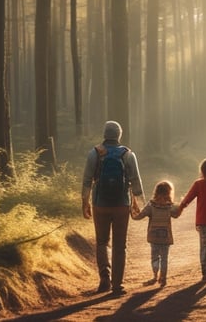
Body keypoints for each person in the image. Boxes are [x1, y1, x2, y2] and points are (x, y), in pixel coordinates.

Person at [82, 120, 145, 295]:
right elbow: (136, 182)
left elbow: (87, 180)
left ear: (104, 134)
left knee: (102, 242)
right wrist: (139, 204)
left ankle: (104, 277)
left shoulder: (95, 153)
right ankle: (117, 285)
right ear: (119, 135)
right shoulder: (127, 154)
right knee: (120, 245)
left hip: (99, 204)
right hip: (121, 205)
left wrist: (84, 202)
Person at [131, 180, 181, 286]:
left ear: (156, 192)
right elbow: (176, 214)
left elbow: (139, 216)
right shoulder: (169, 206)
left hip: (153, 237)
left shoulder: (151, 205)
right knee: (164, 258)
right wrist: (182, 204)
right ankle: (163, 277)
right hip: (166, 237)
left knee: (154, 257)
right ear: (169, 193)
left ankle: (155, 275)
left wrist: (132, 210)